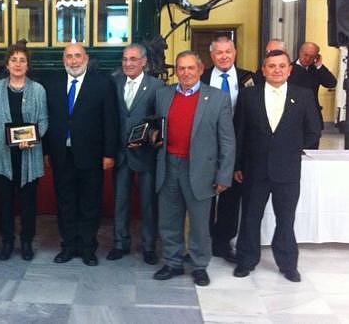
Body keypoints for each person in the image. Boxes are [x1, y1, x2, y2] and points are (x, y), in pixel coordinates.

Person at [233, 50, 320, 282]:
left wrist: (290, 148)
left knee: (286, 218)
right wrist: (238, 165)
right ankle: (246, 260)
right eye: (271, 66)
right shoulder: (248, 96)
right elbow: (239, 133)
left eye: (282, 66)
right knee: (251, 217)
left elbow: (314, 130)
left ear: (289, 69)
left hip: (287, 170)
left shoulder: (303, 95)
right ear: (263, 70)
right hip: (254, 169)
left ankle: (288, 264)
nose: (277, 70)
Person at [153, 51, 235, 286]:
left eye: (191, 68)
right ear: (176, 71)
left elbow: (227, 140)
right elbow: (157, 129)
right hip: (168, 165)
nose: (186, 72)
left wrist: (224, 174)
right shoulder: (163, 95)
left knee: (199, 223)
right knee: (169, 219)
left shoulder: (218, 98)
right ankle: (172, 262)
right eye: (181, 68)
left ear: (200, 70)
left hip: (200, 169)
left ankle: (200, 266)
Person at [43, 43, 118, 266]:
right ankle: (68, 247)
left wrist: (109, 153)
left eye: (77, 56)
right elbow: (47, 119)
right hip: (61, 155)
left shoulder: (103, 83)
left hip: (92, 156)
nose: (73, 61)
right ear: (63, 59)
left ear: (86, 58)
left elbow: (110, 121)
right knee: (65, 203)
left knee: (89, 204)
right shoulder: (52, 83)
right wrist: (47, 151)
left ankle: (87, 248)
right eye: (69, 56)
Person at [0, 44, 48, 261]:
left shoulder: (38, 90)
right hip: (2, 155)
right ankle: (7, 242)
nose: (18, 64)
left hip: (28, 154)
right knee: (4, 202)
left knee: (28, 203)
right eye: (14, 59)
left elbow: (43, 121)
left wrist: (33, 139)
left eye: (22, 60)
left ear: (27, 65)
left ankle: (26, 242)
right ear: (7, 64)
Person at [108, 44, 164, 264]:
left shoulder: (157, 86)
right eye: (124, 59)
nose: (128, 63)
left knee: (148, 204)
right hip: (120, 155)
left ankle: (149, 247)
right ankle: (120, 243)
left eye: (133, 59)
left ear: (143, 62)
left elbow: (160, 120)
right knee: (120, 202)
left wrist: (148, 135)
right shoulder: (114, 82)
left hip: (145, 155)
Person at [200, 36, 253, 264]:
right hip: (206, 146)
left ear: (235, 53)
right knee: (204, 196)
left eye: (227, 51)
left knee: (231, 198)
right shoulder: (201, 78)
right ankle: (204, 241)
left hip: (237, 147)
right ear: (211, 56)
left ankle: (223, 243)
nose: (223, 56)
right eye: (218, 52)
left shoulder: (249, 78)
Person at [288, 42, 337, 148]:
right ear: (300, 52)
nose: (307, 59)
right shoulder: (289, 69)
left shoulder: (316, 70)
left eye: (312, 56)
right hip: (293, 116)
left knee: (312, 151)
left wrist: (319, 66)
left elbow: (331, 83)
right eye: (305, 55)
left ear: (316, 57)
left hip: (312, 117)